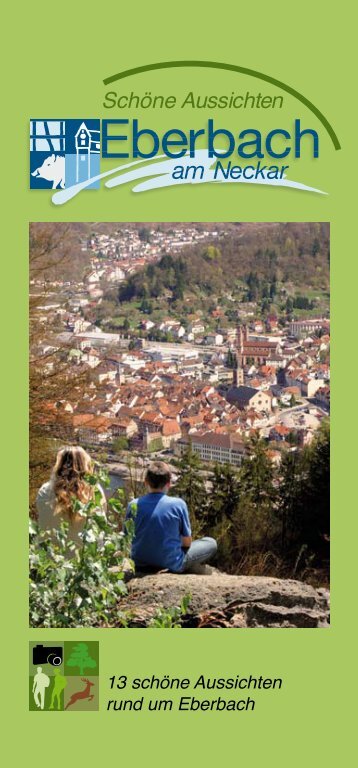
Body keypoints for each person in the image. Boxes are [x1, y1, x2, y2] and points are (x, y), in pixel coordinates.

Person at [126, 461, 217, 573]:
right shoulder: (178, 504)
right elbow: (187, 542)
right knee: (211, 542)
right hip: (172, 563)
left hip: (139, 563)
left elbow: (127, 539)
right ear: (168, 484)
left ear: (146, 483)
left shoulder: (133, 505)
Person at [36, 446, 107, 545]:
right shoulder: (94, 490)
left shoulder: (45, 490)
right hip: (86, 556)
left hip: (51, 554)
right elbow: (102, 521)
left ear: (59, 465)